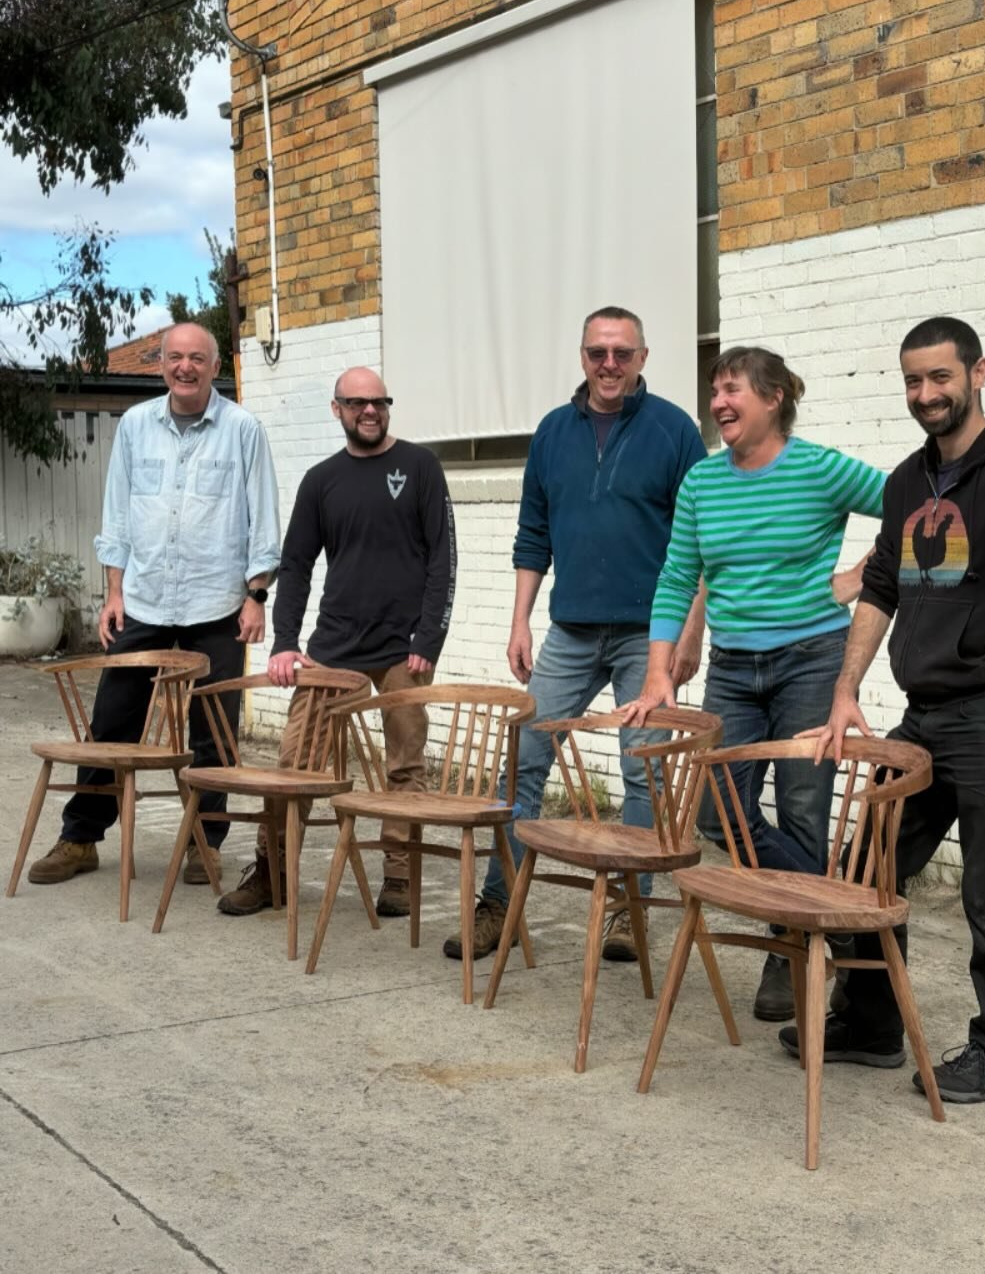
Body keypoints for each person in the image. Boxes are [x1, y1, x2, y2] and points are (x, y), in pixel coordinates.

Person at [795, 316, 985, 1102]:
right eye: (912, 380)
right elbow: (879, 586)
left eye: (940, 377)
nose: (925, 394)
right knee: (870, 868)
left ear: (977, 373)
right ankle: (869, 1025)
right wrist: (844, 689)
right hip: (926, 716)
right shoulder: (907, 480)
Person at [625, 345, 886, 1022]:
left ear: (772, 399)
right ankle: (818, 912)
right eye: (714, 390)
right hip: (733, 668)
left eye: (731, 389)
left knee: (802, 808)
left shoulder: (819, 469)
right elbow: (677, 576)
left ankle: (786, 950)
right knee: (716, 810)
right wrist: (658, 672)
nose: (717, 403)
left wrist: (861, 576)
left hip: (810, 659)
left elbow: (911, 507)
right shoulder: (702, 483)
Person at [443, 305, 707, 965]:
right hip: (569, 629)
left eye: (621, 352)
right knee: (524, 758)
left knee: (641, 773)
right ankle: (498, 904)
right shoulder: (552, 432)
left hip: (650, 632)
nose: (608, 364)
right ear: (582, 357)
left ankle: (630, 908)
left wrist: (689, 635)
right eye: (597, 352)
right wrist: (518, 620)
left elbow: (705, 539)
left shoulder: (674, 431)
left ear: (642, 357)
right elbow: (533, 530)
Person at [29, 323, 281, 886]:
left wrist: (255, 596)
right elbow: (117, 516)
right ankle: (80, 839)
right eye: (174, 358)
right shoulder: (137, 426)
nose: (185, 367)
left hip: (217, 603)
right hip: (141, 600)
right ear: (161, 364)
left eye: (196, 358)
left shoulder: (243, 429)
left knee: (213, 731)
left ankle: (203, 842)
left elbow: (263, 519)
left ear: (215, 367)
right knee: (112, 723)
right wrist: (113, 592)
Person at [218, 366, 457, 917]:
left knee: (404, 767)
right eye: (357, 403)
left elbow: (442, 558)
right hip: (334, 647)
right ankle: (272, 872)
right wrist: (285, 641)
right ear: (337, 409)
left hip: (405, 651)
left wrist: (431, 636)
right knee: (294, 764)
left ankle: (400, 874)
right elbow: (296, 564)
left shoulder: (420, 467)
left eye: (378, 401)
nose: (369, 411)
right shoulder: (321, 480)